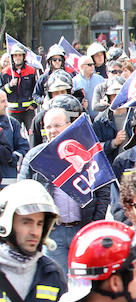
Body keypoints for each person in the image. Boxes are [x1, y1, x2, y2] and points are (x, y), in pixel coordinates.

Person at [18, 108, 110, 269]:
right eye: (48, 127)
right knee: (58, 283)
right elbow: (23, 193)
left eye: (57, 125)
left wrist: (95, 221)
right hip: (53, 233)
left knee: (85, 282)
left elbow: (103, 189)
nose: (52, 131)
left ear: (69, 126)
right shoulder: (35, 157)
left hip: (83, 230)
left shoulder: (85, 152)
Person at [1, 46, 37, 140]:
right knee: (12, 136)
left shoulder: (32, 71)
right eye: (15, 55)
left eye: (20, 55)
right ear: (12, 57)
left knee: (33, 134)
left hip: (28, 111)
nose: (17, 57)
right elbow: (1, 92)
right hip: (12, 111)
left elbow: (37, 90)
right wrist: (9, 86)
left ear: (23, 56)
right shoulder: (5, 72)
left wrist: (34, 105)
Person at [0, 90, 30, 187]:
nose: (6, 105)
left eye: (6, 101)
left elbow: (25, 149)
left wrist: (10, 158)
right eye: (2, 101)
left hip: (8, 182)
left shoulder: (13, 124)